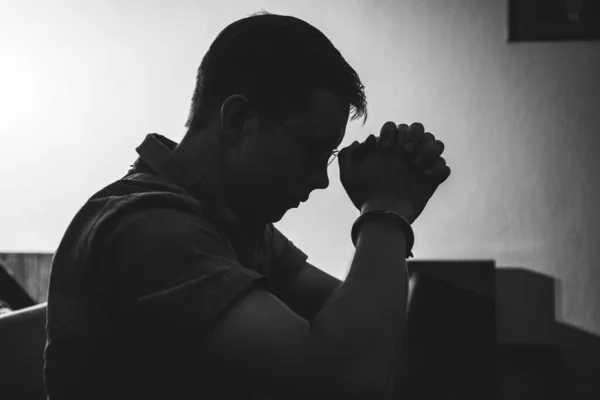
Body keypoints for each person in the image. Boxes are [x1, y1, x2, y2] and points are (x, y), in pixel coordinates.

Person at [43, 11, 450, 400]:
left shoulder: (231, 220)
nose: (321, 179)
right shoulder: (149, 228)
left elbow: (360, 332)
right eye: (311, 149)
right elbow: (345, 378)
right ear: (239, 119)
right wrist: (386, 211)